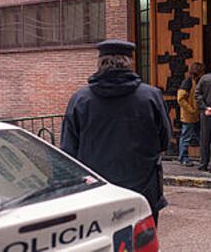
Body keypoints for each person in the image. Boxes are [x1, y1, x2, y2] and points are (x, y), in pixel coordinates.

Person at [60, 39, 172, 226]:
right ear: (130, 63)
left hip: (97, 190)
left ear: (100, 63)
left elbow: (68, 150)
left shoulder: (80, 99)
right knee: (142, 241)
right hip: (142, 188)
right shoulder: (151, 96)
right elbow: (165, 140)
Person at [177, 62, 205, 167]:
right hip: (189, 115)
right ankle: (183, 158)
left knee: (199, 135)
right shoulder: (187, 82)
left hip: (195, 115)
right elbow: (181, 99)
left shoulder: (195, 81)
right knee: (186, 137)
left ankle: (204, 155)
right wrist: (191, 109)